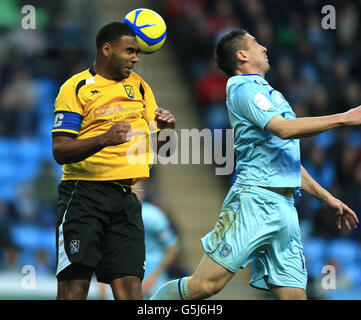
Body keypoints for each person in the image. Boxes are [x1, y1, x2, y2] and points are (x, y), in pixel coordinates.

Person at [150, 29, 360, 300]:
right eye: (256, 44)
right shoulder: (242, 88)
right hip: (254, 201)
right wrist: (344, 118)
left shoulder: (272, 94)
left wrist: (325, 197)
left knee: (295, 297)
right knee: (203, 286)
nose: (263, 47)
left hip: (285, 208)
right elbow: (283, 130)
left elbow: (285, 159)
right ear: (242, 55)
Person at [52, 22, 176, 300]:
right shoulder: (76, 88)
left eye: (137, 52)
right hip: (82, 196)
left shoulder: (141, 88)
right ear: (106, 50)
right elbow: (60, 150)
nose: (135, 57)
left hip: (126, 198)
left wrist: (167, 129)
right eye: (129, 51)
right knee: (74, 289)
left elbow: (164, 151)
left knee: (131, 290)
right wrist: (103, 139)